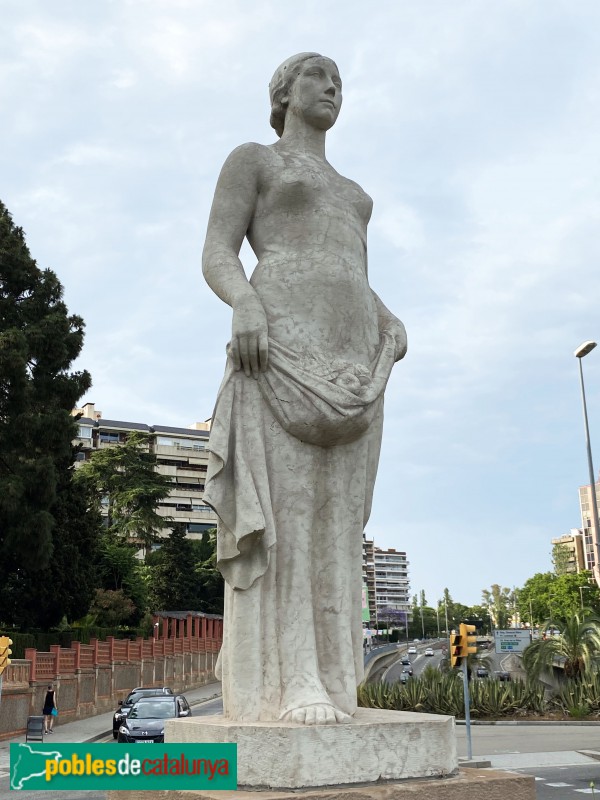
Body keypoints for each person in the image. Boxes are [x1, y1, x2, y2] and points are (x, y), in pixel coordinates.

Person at [202, 52, 407, 726]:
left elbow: (346, 266)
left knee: (338, 529)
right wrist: (244, 305)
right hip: (279, 353)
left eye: (342, 81)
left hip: (354, 369)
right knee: (289, 526)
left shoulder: (353, 193)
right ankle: (292, 681)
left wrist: (386, 319)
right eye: (321, 76)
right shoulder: (256, 160)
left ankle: (334, 677)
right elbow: (218, 250)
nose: (334, 87)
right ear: (286, 91)